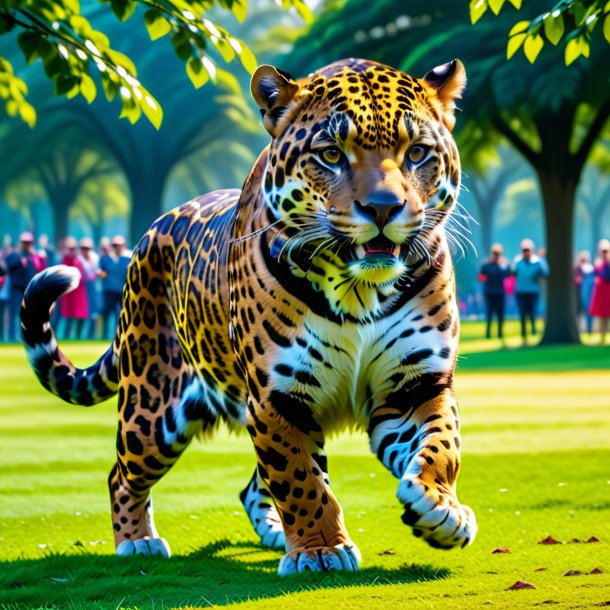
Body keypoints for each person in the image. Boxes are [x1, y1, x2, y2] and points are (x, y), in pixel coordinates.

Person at [3, 231, 45, 342]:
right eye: (24, 242)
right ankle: (12, 337)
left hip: (29, 289)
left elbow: (41, 269)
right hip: (16, 288)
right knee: (14, 312)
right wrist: (20, 258)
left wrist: (35, 256)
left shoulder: (34, 256)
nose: (26, 245)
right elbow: (8, 267)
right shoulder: (14, 255)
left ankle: (27, 336)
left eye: (29, 242)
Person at [512, 238, 548, 341]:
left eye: (528, 250)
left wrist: (541, 261)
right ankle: (523, 333)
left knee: (533, 312)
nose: (526, 252)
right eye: (524, 250)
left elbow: (545, 273)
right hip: (521, 291)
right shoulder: (517, 261)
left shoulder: (538, 261)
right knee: (522, 313)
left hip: (533, 291)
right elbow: (512, 272)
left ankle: (533, 331)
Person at [99, 235, 130, 340]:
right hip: (108, 290)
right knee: (107, 313)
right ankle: (104, 335)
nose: (117, 247)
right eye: (115, 245)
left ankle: (117, 335)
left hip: (122, 291)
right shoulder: (106, 258)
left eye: (119, 245)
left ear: (123, 245)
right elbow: (100, 271)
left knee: (120, 314)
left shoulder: (128, 258)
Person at [478, 243, 510, 339]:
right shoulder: (486, 264)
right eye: (495, 253)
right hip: (489, 292)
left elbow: (509, 275)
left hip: (500, 292)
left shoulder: (504, 264)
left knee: (501, 313)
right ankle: (488, 333)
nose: (496, 255)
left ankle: (500, 333)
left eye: (498, 253)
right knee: (489, 313)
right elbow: (480, 277)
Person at [59, 237, 89, 339]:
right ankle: (66, 336)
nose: (72, 251)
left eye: (73, 248)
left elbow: (87, 274)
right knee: (68, 316)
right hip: (69, 292)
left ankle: (78, 336)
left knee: (81, 315)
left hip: (79, 291)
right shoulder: (65, 259)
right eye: (70, 248)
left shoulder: (79, 259)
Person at [589, 239, 610, 344]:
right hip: (601, 293)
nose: (604, 253)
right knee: (602, 315)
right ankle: (602, 336)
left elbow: (607, 276)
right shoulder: (598, 263)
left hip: (608, 292)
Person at [79, 237, 100, 339]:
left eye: (87, 248)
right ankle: (78, 335)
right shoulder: (78, 259)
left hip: (93, 287)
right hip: (81, 288)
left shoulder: (95, 258)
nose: (85, 250)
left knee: (93, 312)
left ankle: (90, 335)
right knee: (81, 312)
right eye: (83, 248)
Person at [574, 251, 595, 334]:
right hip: (577, 295)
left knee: (588, 312)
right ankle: (578, 330)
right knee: (577, 313)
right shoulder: (577, 269)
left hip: (588, 295)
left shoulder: (591, 269)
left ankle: (589, 329)